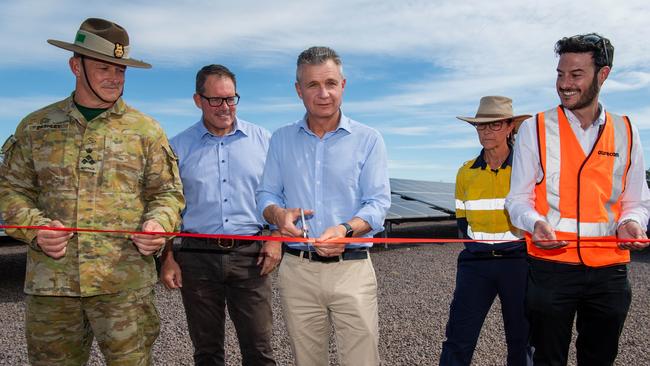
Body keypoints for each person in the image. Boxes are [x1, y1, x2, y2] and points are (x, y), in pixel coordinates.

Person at [0, 18, 184, 365]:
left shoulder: (146, 131)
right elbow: (9, 191)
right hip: (54, 290)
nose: (115, 77)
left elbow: (168, 193)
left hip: (124, 287)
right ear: (75, 66)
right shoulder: (36, 127)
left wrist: (159, 225)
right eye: (103, 67)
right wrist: (35, 228)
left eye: (121, 69)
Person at [505, 33, 650, 365]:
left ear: (603, 74)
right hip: (551, 268)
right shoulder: (535, 128)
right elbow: (517, 200)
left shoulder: (627, 130)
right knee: (547, 359)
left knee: (599, 358)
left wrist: (632, 223)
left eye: (576, 75)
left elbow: (637, 201)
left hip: (610, 272)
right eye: (560, 74)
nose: (564, 84)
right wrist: (535, 222)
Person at [256, 46, 391, 366]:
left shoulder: (369, 139)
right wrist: (277, 215)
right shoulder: (281, 139)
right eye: (313, 85)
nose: (323, 93)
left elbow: (378, 203)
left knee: (362, 360)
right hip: (297, 271)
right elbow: (266, 195)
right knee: (307, 361)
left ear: (343, 85)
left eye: (330, 83)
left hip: (352, 270)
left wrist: (345, 230)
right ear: (298, 90)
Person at [160, 64, 277, 366]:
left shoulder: (264, 141)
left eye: (231, 99)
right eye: (215, 100)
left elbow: (282, 196)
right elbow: (169, 207)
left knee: (260, 351)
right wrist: (168, 257)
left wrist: (275, 240)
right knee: (207, 353)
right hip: (197, 259)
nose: (225, 107)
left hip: (251, 257)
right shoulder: (177, 147)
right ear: (198, 100)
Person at [440, 96, 532, 366]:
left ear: (509, 127)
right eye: (481, 126)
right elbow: (462, 223)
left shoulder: (527, 170)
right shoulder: (465, 172)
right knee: (458, 337)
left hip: (519, 263)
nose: (487, 132)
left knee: (522, 340)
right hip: (476, 264)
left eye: (494, 125)